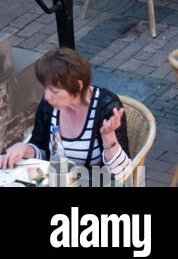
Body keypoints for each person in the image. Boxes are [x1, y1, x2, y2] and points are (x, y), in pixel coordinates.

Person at [0, 48, 131, 184]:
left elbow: (122, 174)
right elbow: (42, 151)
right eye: (45, 88)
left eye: (54, 91)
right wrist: (24, 149)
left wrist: (108, 136)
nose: (47, 96)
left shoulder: (106, 108)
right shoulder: (49, 106)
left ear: (78, 86)